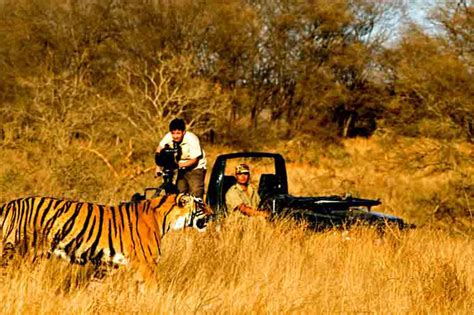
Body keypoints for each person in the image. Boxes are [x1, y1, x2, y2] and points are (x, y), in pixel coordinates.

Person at [156, 118, 207, 198]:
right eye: (173, 133)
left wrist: (178, 165)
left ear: (183, 132)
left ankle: (198, 209)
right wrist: (158, 166)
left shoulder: (192, 139)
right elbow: (159, 150)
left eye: (178, 133)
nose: (175, 136)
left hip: (195, 168)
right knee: (180, 192)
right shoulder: (168, 137)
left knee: (195, 192)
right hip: (181, 169)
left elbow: (194, 160)